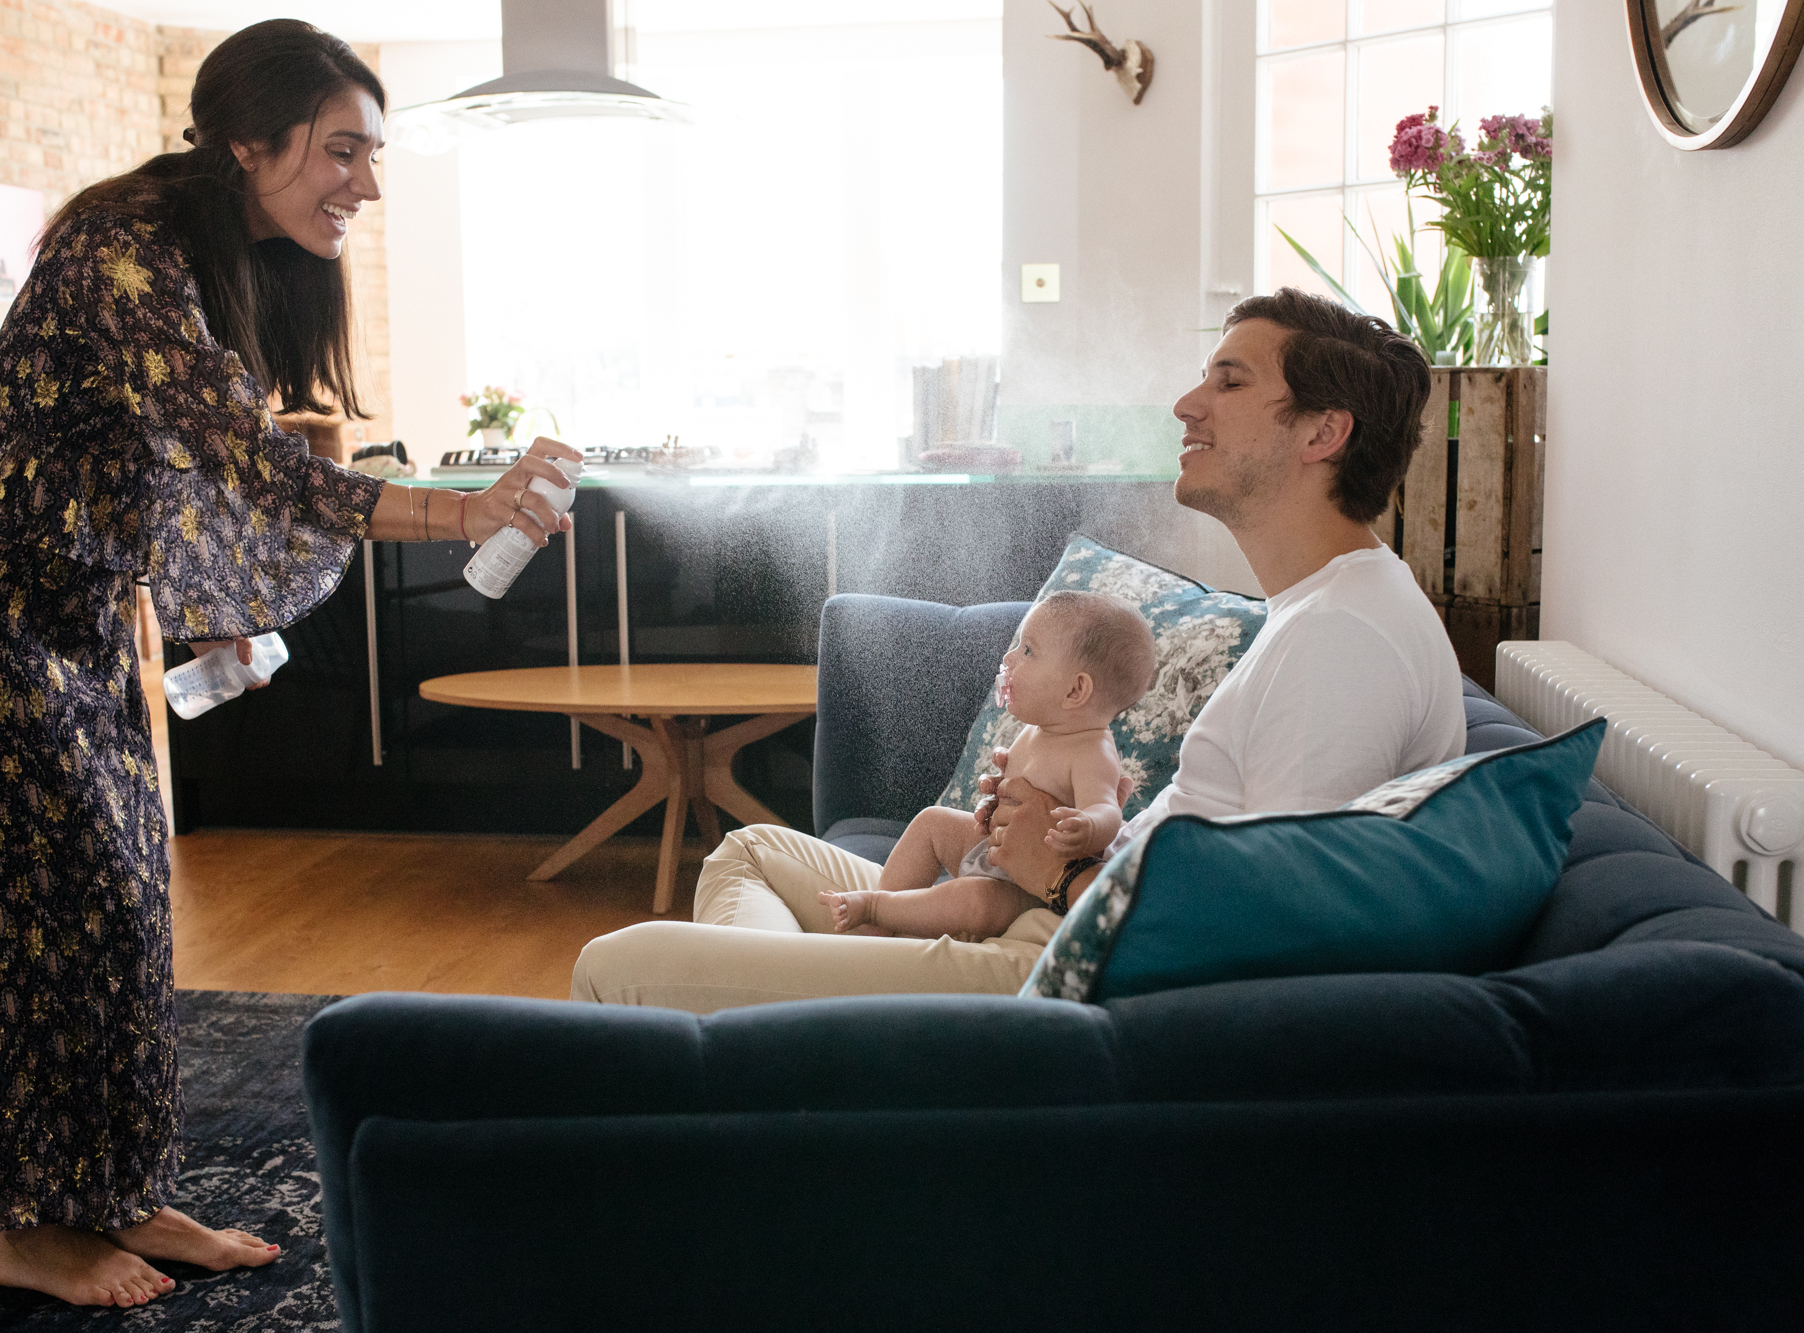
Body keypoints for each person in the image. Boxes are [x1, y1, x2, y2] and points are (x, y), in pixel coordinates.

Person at [0, 21, 582, 1310]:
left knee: (126, 900)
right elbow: (243, 462)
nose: (366, 183)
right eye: (344, 150)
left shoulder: (228, 258)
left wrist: (215, 610)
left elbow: (197, 464)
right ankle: (27, 1225)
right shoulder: (117, 247)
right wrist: (457, 508)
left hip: (75, 610)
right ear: (250, 142)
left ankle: (119, 1187)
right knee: (29, 910)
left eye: (375, 154)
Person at [569, 288, 1463, 1011]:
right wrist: (1056, 825)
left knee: (621, 963)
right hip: (1050, 906)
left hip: (1049, 957)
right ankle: (809, 1032)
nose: (1186, 404)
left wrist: (1061, 866)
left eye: (1229, 383)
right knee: (751, 852)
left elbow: (1266, 939)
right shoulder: (1322, 610)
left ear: (1322, 432)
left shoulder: (1347, 638)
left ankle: (799, 1025)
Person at [817, 591, 1154, 940]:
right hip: (995, 850)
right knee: (932, 822)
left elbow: (1106, 808)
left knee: (974, 900)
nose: (1009, 657)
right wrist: (1001, 790)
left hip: (1026, 888)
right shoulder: (1038, 729)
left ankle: (876, 908)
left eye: (1028, 651)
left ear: (1075, 691)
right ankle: (879, 927)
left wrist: (1086, 825)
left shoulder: (1092, 750)